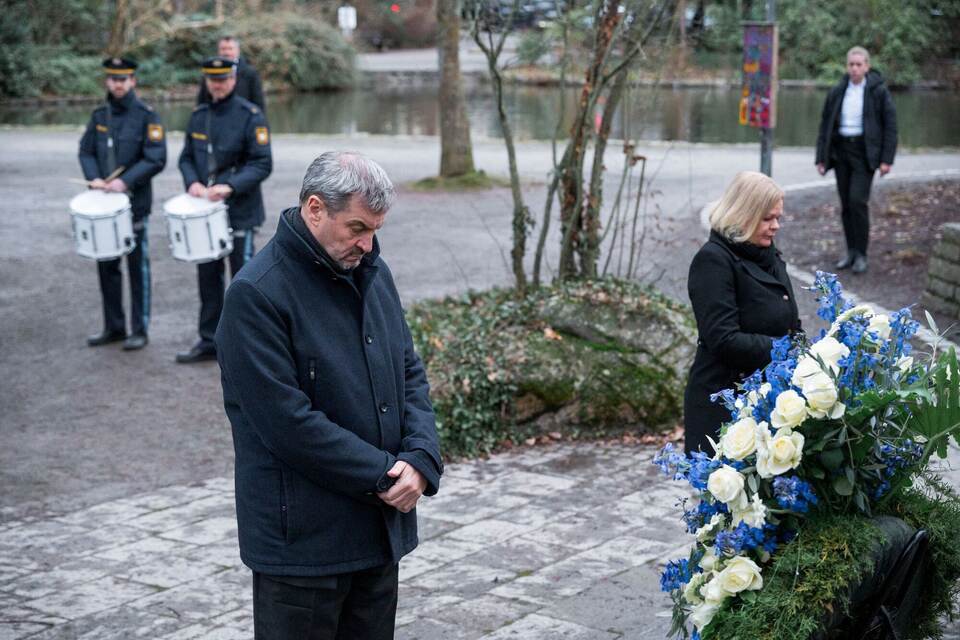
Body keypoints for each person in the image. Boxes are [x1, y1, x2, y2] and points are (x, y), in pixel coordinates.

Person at [215, 151, 443, 639]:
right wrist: (384, 474)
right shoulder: (256, 294)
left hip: (377, 532)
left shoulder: (372, 271)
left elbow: (408, 372)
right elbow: (287, 424)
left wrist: (422, 457)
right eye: (357, 227)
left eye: (375, 229)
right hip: (303, 548)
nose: (368, 243)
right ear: (315, 209)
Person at [683, 171, 801, 455]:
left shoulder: (769, 255)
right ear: (744, 215)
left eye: (778, 218)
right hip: (723, 405)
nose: (775, 226)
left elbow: (790, 322)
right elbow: (723, 339)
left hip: (769, 401)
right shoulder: (713, 261)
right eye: (767, 218)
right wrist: (785, 349)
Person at [176, 56, 272, 364]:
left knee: (244, 282)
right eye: (212, 80)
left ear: (233, 79)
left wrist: (230, 186)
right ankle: (210, 340)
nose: (217, 85)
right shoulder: (199, 115)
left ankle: (245, 345)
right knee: (208, 278)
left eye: (222, 79)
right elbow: (186, 158)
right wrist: (192, 182)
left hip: (239, 210)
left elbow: (262, 163)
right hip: (205, 212)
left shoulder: (250, 116)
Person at [78, 57, 167, 351]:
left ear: (132, 81)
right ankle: (114, 326)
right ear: (107, 81)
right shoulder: (99, 115)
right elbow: (86, 151)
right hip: (103, 205)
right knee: (107, 267)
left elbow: (156, 158)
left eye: (123, 79)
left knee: (137, 268)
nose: (117, 84)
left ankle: (139, 329)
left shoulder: (147, 116)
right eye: (113, 79)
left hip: (134, 204)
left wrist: (124, 181)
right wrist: (94, 177)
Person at [815, 46, 898, 275]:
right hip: (841, 151)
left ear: (867, 66)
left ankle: (862, 254)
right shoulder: (838, 90)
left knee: (857, 201)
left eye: (859, 64)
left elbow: (890, 126)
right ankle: (851, 251)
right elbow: (825, 125)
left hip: (864, 152)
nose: (854, 68)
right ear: (847, 66)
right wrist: (821, 157)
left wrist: (886, 159)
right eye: (851, 64)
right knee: (845, 204)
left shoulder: (878, 91)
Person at [197, 35, 265, 112]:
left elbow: (258, 102)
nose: (227, 52)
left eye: (230, 48)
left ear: (238, 50)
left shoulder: (250, 73)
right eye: (223, 49)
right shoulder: (209, 72)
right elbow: (201, 101)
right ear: (218, 51)